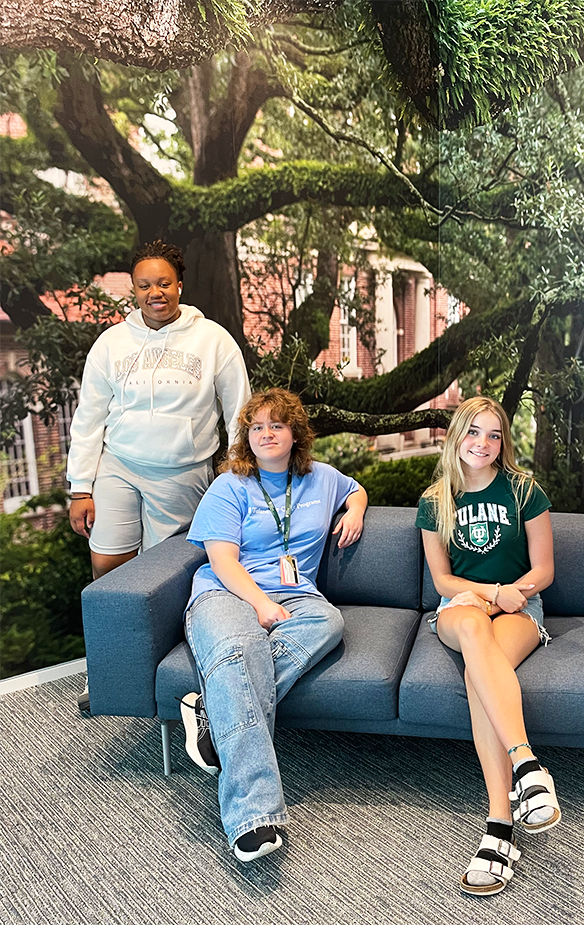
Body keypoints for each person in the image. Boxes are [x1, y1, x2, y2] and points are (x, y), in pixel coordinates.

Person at [180, 388, 367, 862]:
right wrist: (261, 604)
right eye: (257, 426)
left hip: (301, 598)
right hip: (227, 592)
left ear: (295, 435)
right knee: (240, 650)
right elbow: (221, 560)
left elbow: (355, 489)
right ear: (247, 435)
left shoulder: (321, 479)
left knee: (329, 620)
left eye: (277, 425)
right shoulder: (230, 486)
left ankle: (213, 710)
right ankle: (253, 817)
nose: (266, 433)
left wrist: (357, 509)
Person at [416, 396, 560, 896]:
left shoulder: (523, 491)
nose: (483, 443)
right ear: (457, 435)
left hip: (521, 608)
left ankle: (499, 825)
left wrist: (508, 597)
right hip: (461, 607)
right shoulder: (436, 500)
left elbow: (544, 570)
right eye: (473, 432)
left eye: (494, 435)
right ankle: (526, 764)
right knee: (474, 631)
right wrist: (488, 595)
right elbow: (442, 579)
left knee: (482, 675)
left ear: (503, 442)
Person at [67, 240, 250, 579]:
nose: (156, 292)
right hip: (118, 466)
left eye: (164, 283)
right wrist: (80, 488)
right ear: (134, 290)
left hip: (182, 472)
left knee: (165, 573)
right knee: (108, 568)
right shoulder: (111, 342)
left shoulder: (214, 339)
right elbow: (89, 418)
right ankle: (118, 634)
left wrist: (236, 469)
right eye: (145, 285)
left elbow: (239, 410)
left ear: (179, 285)